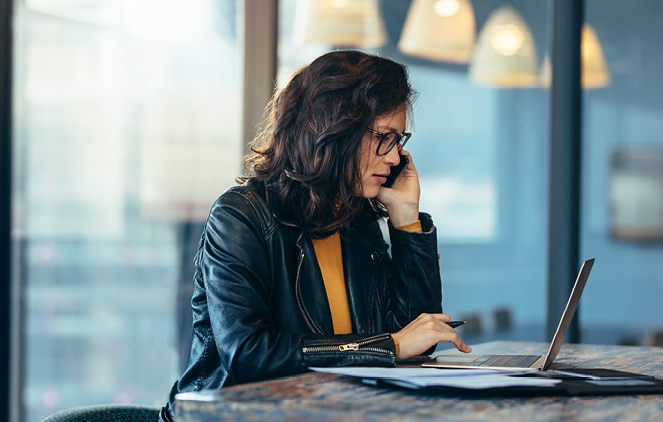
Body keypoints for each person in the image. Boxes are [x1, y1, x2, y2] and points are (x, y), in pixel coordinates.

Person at [160, 50, 470, 421]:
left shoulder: (356, 221)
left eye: (399, 140)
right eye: (384, 138)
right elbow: (248, 354)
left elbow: (417, 339)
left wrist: (405, 220)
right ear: (335, 131)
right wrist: (388, 345)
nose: (395, 158)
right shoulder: (241, 216)